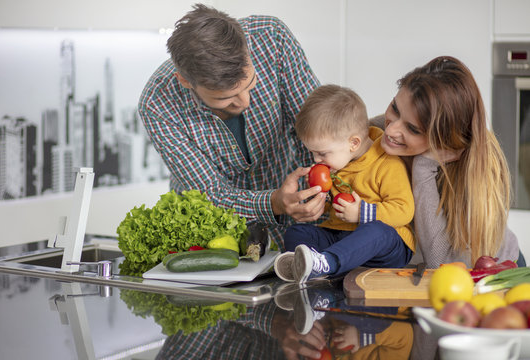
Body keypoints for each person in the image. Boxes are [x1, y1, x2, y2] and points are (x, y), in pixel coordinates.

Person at [138, 4, 326, 250]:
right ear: (185, 80)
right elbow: (211, 193)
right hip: (215, 234)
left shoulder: (272, 38)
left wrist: (315, 192)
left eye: (250, 84)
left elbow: (317, 130)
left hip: (300, 223)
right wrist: (274, 203)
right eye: (225, 98)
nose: (245, 102)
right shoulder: (157, 103)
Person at [378, 55, 524, 268]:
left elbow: (442, 263)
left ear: (443, 140)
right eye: (395, 108)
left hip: (495, 272)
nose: (390, 129)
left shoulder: (476, 175)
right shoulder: (380, 132)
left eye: (412, 129)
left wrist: (424, 166)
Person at [274, 85, 415, 283]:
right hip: (342, 237)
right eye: (312, 153)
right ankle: (313, 265)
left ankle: (327, 264)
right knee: (296, 232)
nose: (316, 160)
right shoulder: (337, 163)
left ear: (353, 143)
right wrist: (319, 200)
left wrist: (361, 213)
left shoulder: (387, 163)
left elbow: (404, 210)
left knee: (376, 231)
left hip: (386, 247)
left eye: (321, 153)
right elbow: (335, 211)